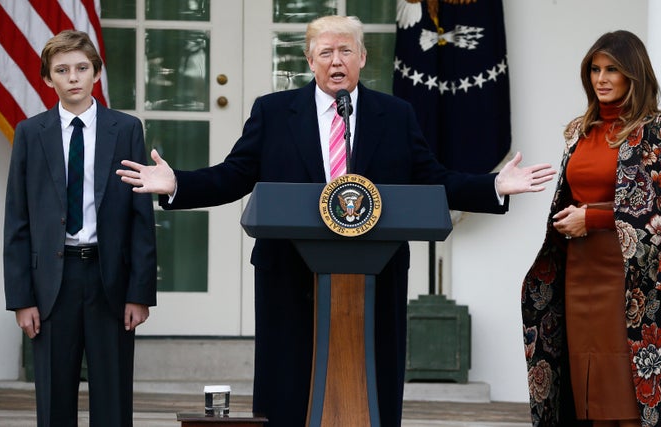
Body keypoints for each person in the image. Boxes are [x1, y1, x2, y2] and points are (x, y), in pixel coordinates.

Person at [117, 15, 555, 426]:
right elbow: (234, 175)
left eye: (346, 51)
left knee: (371, 382)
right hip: (289, 274)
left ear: (363, 58)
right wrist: (177, 184)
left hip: (373, 277)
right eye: (325, 53)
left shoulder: (395, 115)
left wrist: (494, 186)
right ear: (310, 61)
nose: (336, 61)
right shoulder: (274, 112)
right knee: (289, 387)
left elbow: (433, 179)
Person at [521, 30, 661, 427]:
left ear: (634, 74)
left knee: (630, 395)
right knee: (587, 394)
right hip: (580, 273)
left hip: (632, 279)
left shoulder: (657, 129)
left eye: (612, 69)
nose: (601, 78)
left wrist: (591, 218)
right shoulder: (579, 130)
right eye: (594, 69)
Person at [3, 30, 157, 427]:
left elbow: (140, 217)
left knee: (113, 398)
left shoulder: (124, 130)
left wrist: (139, 292)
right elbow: (17, 221)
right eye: (62, 70)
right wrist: (21, 299)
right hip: (53, 282)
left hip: (110, 279)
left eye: (81, 68)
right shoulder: (30, 133)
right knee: (54, 400)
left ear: (97, 74)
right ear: (46, 78)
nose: (73, 77)